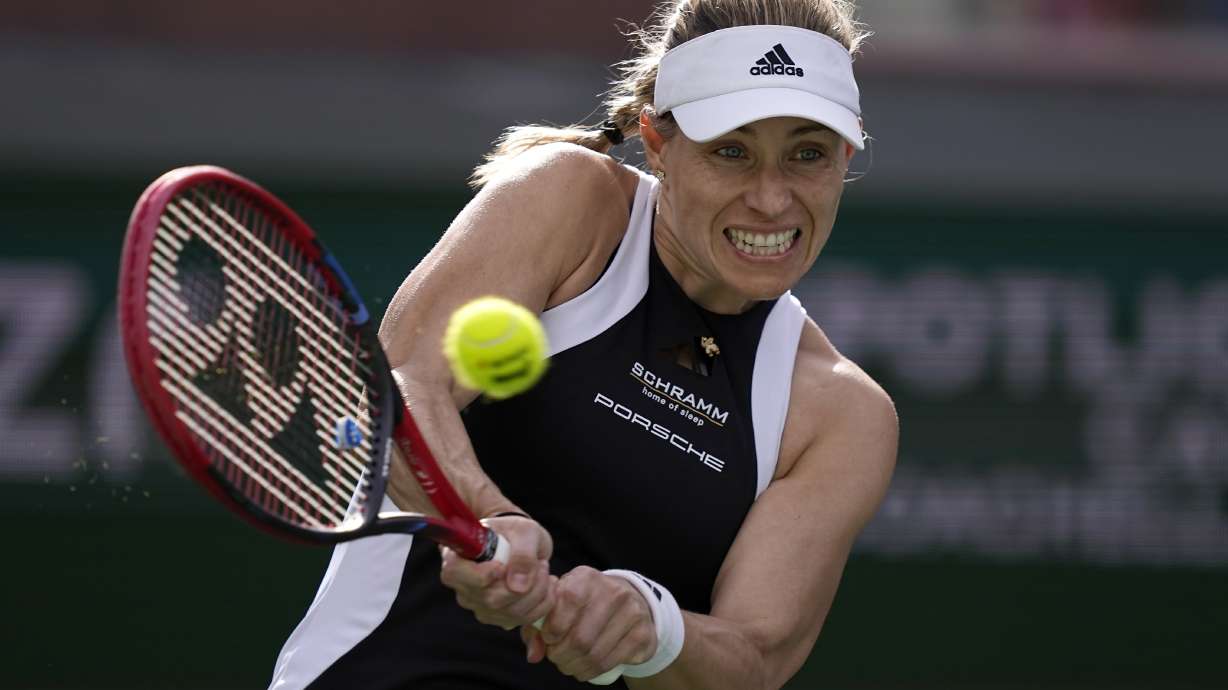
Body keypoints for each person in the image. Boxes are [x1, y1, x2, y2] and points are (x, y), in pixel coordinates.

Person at [270, 1, 897, 688]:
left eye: (806, 154)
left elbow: (753, 658)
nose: (772, 202)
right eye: (732, 152)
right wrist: (490, 518)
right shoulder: (570, 199)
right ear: (659, 143)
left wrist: (650, 627)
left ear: (847, 152)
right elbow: (400, 381)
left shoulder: (844, 416)